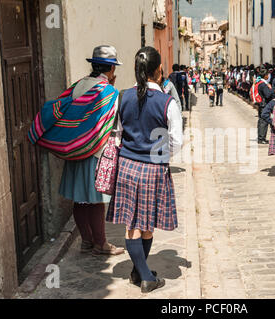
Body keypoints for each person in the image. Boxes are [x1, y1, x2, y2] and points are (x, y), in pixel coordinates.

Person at [32, 46, 126, 257]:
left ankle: (86, 241)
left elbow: (68, 112)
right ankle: (101, 243)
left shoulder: (79, 85)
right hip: (94, 153)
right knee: (95, 201)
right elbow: (114, 125)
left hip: (75, 150)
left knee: (80, 199)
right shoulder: (108, 92)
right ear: (110, 69)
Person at [107, 46, 183, 293]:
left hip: (127, 166)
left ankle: (138, 271)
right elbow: (176, 141)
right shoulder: (167, 102)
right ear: (159, 70)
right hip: (153, 168)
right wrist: (160, 154)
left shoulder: (123, 96)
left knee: (132, 225)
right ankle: (147, 278)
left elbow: (118, 134)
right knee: (146, 223)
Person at [256, 65, 275, 144]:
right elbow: (268, 95)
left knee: (261, 121)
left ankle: (261, 137)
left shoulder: (259, 82)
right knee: (263, 121)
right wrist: (271, 89)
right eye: (267, 75)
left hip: (261, 103)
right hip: (264, 104)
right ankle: (261, 138)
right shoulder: (263, 84)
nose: (268, 76)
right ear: (265, 76)